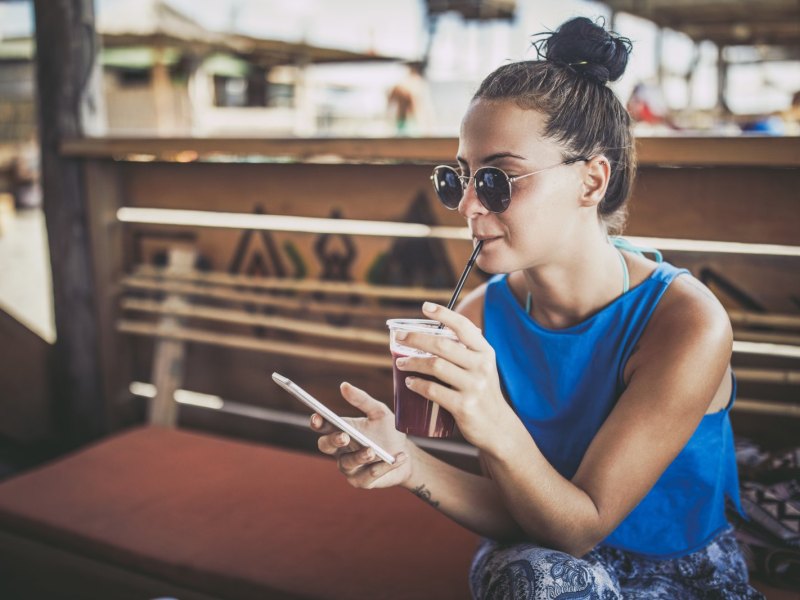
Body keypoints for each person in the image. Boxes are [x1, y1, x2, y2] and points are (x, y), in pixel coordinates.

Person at [311, 17, 763, 599]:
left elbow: (580, 527)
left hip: (681, 574)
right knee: (531, 574)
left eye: (499, 179)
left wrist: (488, 412)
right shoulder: (479, 318)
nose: (469, 205)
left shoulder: (684, 323)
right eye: (460, 179)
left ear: (592, 181)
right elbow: (531, 517)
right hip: (542, 563)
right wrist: (408, 460)